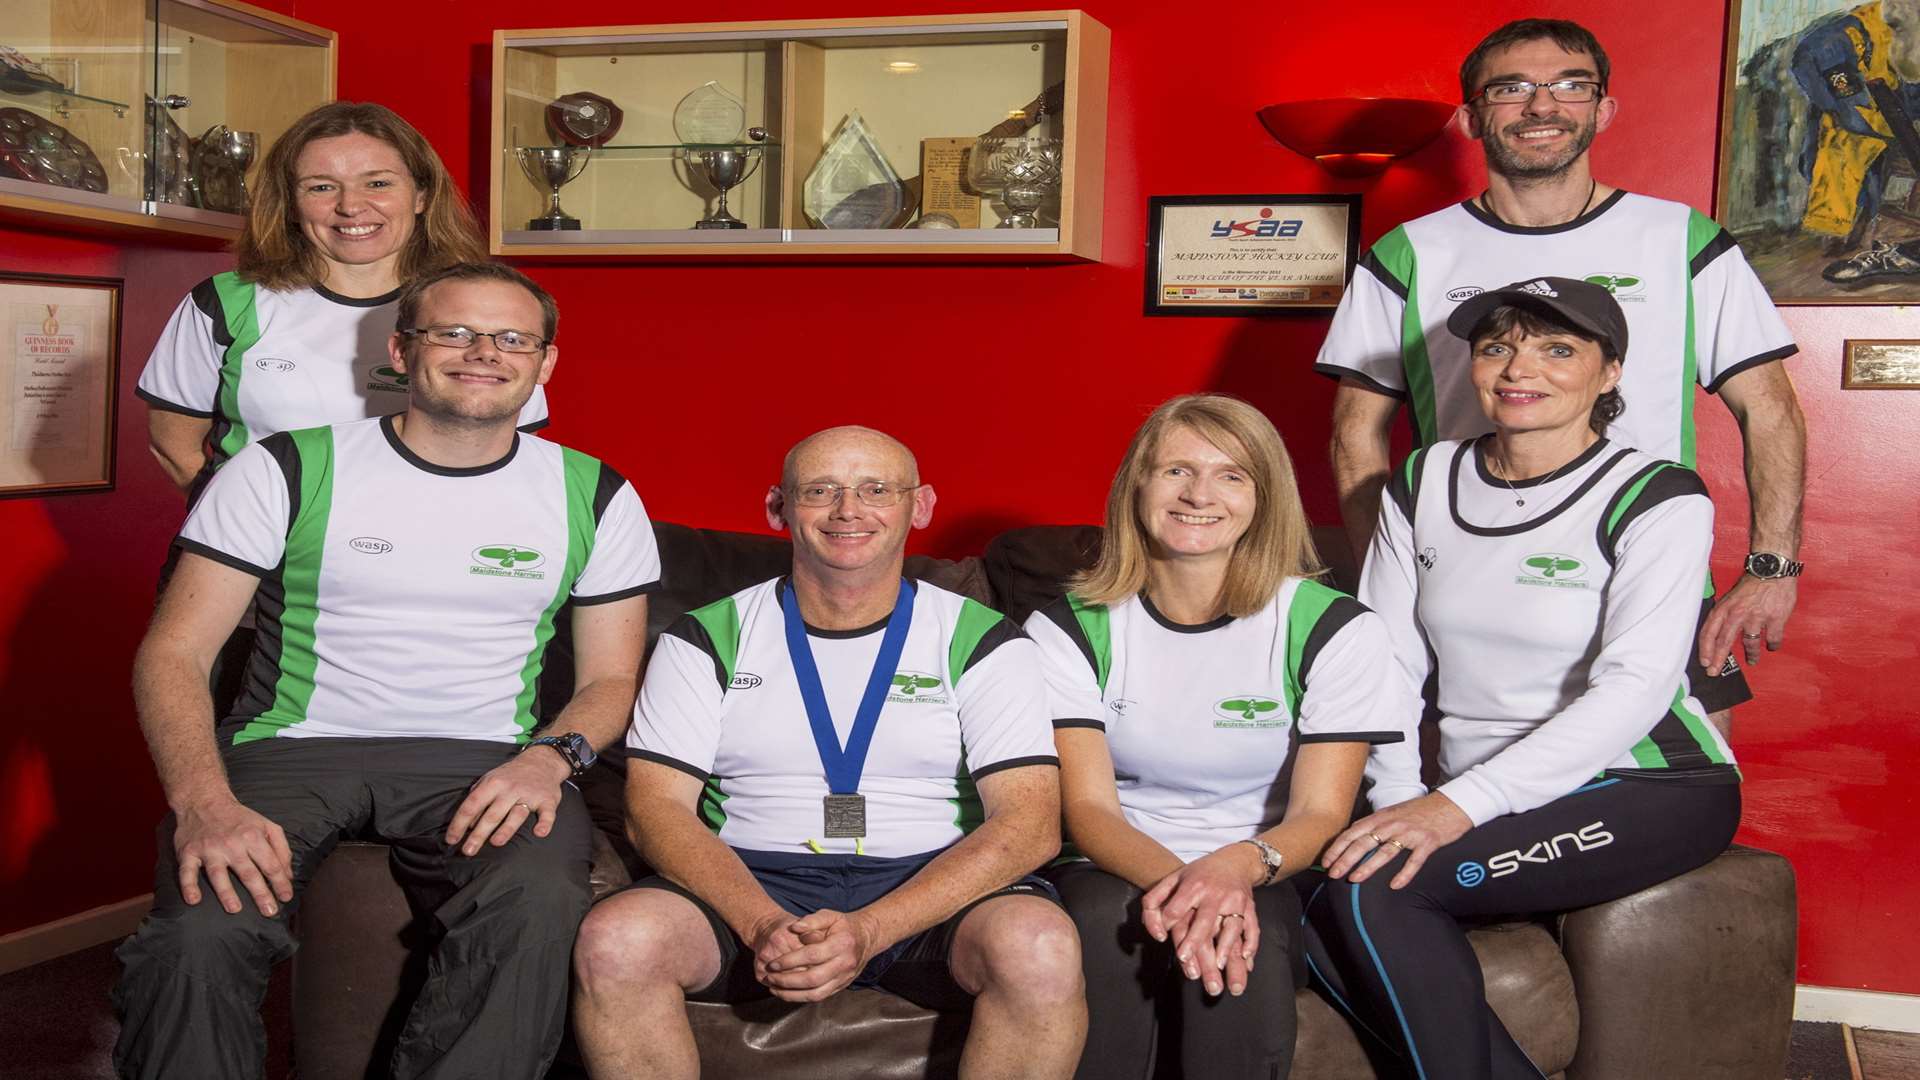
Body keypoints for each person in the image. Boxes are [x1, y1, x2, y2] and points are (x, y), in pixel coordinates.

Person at [112, 262, 658, 1079]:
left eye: (512, 339)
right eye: (454, 333)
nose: (483, 353)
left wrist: (551, 760)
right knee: (202, 926)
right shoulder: (285, 466)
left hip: (486, 753)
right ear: (402, 351)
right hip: (294, 744)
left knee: (539, 900)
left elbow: (612, 680)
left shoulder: (596, 492)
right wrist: (201, 801)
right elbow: (175, 651)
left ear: (544, 365)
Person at [1316, 18, 1807, 731]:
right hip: (1468, 584)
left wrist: (1773, 568)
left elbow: (1771, 410)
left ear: (1602, 110)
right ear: (1472, 117)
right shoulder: (1408, 254)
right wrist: (1387, 582)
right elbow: (1354, 433)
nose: (1542, 106)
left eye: (1570, 86)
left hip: (1648, 574)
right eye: (1511, 88)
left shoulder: (1681, 239)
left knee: (1685, 799)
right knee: (1461, 805)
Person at [1307, 277, 1741, 1080]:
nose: (1519, 368)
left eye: (1557, 349)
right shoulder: (1424, 479)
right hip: (1477, 793)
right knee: (1308, 893)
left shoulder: (1657, 494)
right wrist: (1397, 797)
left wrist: (1450, 807)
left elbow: (1636, 688)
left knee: (1376, 893)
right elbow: (1385, 660)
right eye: (1496, 346)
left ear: (1609, 373)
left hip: (1648, 785)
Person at [570, 426, 1086, 1079]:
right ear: (777, 509)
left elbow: (1029, 823)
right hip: (751, 878)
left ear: (919, 506)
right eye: (820, 490)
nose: (849, 510)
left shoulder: (987, 641)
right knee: (617, 940)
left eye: (876, 489)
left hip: (930, 881)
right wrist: (760, 924)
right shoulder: (701, 638)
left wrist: (870, 928)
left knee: (1039, 946)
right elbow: (654, 810)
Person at [1026, 394, 1409, 1080]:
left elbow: (1320, 814)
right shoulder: (1067, 628)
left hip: (1271, 865)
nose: (1200, 494)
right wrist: (1192, 887)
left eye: (1231, 475)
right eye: (1176, 470)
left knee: (1244, 944)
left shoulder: (1334, 627)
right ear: (1137, 485)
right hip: (1116, 862)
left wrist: (1234, 873)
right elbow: (1088, 810)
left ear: (1264, 498)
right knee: (1102, 923)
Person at [136, 101, 548, 499]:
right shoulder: (227, 301)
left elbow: (511, 449)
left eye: (378, 183)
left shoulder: (482, 307)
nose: (350, 206)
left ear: (421, 195)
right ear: (291, 204)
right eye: (321, 187)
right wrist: (238, 531)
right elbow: (173, 448)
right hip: (260, 560)